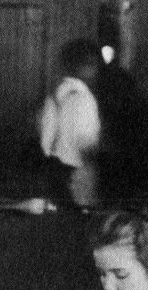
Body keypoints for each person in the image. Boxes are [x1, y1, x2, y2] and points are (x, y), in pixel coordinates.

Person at [38, 39, 103, 208]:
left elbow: (45, 140)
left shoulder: (53, 96)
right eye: (92, 64)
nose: (96, 71)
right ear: (81, 67)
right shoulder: (84, 99)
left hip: (53, 170)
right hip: (77, 173)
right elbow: (87, 144)